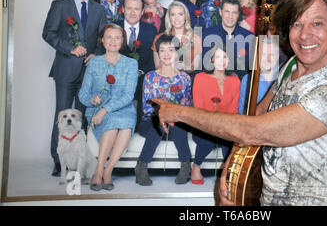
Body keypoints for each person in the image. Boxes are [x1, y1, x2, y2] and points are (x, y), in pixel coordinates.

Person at [154, 0, 327, 206]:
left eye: (317, 23)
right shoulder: (291, 65)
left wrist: (179, 112)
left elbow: (254, 130)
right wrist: (231, 170)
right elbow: (257, 114)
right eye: (297, 23)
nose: (305, 35)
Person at [42, 0, 107, 177]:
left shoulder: (98, 9)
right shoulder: (60, 5)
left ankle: (79, 159)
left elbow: (103, 38)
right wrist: (69, 48)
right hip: (65, 69)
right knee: (61, 115)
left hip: (88, 72)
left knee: (81, 118)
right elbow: (48, 33)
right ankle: (57, 160)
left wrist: (97, 54)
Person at [78, 23, 139, 191]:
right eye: (109, 37)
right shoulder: (94, 63)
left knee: (125, 124)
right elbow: (82, 94)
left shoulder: (131, 64)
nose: (113, 41)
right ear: (102, 41)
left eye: (117, 38)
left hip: (123, 108)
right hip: (97, 111)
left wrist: (105, 110)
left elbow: (128, 95)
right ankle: (99, 170)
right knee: (113, 124)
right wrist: (92, 100)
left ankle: (107, 171)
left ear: (122, 42)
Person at [134, 34, 192, 186]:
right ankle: (141, 166)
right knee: (158, 123)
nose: (166, 54)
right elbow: (147, 106)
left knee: (180, 125)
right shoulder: (150, 77)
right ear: (158, 53)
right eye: (162, 50)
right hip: (151, 123)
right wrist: (164, 116)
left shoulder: (185, 78)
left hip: (175, 124)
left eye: (171, 50)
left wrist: (173, 117)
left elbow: (185, 105)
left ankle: (186, 165)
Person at [191, 45, 240, 184]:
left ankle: (226, 173)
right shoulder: (200, 78)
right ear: (212, 59)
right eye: (218, 56)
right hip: (203, 124)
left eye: (225, 56)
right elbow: (198, 108)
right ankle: (196, 166)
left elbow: (233, 109)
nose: (221, 60)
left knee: (230, 140)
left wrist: (224, 126)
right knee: (208, 140)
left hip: (225, 125)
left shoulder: (235, 81)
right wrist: (212, 124)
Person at [118, 0, 157, 129]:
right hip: (117, 76)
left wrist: (140, 72)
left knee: (148, 83)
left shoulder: (151, 30)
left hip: (142, 76)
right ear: (122, 9)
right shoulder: (113, 27)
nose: (132, 12)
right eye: (129, 8)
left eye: (136, 9)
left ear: (142, 12)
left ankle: (142, 127)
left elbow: (153, 60)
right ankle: (119, 125)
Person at [202, 0, 254, 79]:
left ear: (238, 14)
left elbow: (249, 69)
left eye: (234, 12)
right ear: (220, 12)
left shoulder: (248, 37)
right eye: (227, 11)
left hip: (238, 85)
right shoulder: (208, 34)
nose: (230, 16)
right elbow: (205, 64)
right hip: (213, 82)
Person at [152, 1, 202, 74]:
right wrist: (173, 65)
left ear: (185, 16)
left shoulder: (195, 38)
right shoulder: (159, 38)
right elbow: (157, 66)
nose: (177, 18)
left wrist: (185, 67)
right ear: (169, 17)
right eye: (173, 15)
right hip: (164, 78)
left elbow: (195, 66)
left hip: (187, 78)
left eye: (180, 14)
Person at [238, 36, 279, 114]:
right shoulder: (248, 80)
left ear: (277, 56)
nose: (268, 59)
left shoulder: (285, 74)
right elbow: (242, 111)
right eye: (263, 55)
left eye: (271, 55)